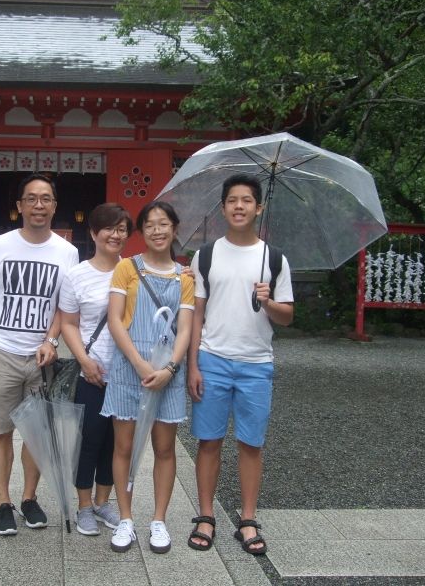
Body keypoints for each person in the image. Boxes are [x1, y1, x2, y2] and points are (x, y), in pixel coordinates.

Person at [186, 174, 294, 555]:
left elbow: (286, 318)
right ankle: (204, 515)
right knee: (208, 441)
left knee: (251, 443)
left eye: (247, 200)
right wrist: (193, 364)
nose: (239, 206)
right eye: (232, 200)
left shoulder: (275, 259)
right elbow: (196, 313)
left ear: (259, 207)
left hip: (256, 363)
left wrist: (268, 300)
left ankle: (248, 519)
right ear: (223, 207)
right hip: (212, 359)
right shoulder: (207, 255)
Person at [0, 173, 79, 536]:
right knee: (1, 430)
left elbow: (66, 307)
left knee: (37, 433)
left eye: (46, 199)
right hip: (2, 352)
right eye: (31, 199)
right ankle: (3, 501)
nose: (38, 205)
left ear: (55, 206)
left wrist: (52, 340)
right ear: (19, 206)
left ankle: (30, 498)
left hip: (40, 357)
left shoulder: (67, 252)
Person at [101, 200, 194, 554]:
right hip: (129, 368)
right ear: (142, 231)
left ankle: (158, 520)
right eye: (150, 224)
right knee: (123, 446)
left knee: (164, 448)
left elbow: (185, 328)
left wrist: (170, 368)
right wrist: (141, 365)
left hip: (168, 371)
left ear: (174, 228)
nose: (157, 230)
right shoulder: (126, 268)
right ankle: (125, 519)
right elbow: (114, 320)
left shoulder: (183, 276)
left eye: (164, 223)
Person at [59, 203, 133, 536]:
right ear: (93, 233)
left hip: (125, 372)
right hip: (92, 371)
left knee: (116, 444)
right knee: (89, 439)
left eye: (121, 229)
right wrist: (84, 360)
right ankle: (84, 506)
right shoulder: (76, 275)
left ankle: (104, 503)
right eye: (109, 228)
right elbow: (69, 323)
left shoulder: (133, 271)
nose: (115, 235)